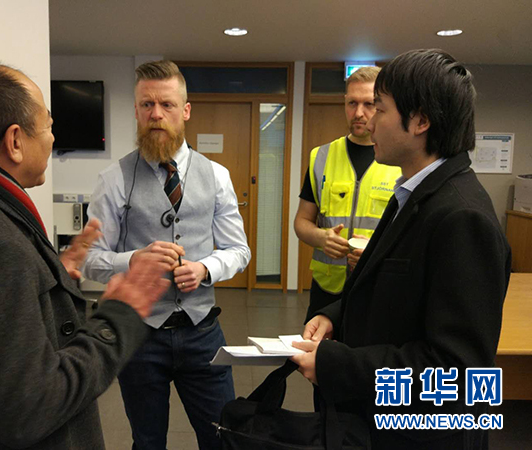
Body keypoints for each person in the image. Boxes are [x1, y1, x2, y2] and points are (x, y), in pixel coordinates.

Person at [0, 62, 170, 449]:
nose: (53, 137)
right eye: (48, 125)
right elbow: (29, 409)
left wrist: (48, 276)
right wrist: (118, 316)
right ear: (14, 141)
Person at [292, 49, 511, 449]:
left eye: (380, 108)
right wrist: (334, 316)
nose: (369, 120)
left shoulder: (462, 217)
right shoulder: (412, 194)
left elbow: (455, 371)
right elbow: (395, 292)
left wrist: (338, 365)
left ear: (420, 121)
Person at [82, 60, 251, 449]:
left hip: (202, 331)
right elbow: (90, 258)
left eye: (167, 104)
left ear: (185, 110)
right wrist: (131, 261)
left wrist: (205, 268)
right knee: (147, 441)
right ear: (137, 110)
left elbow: (238, 250)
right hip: (139, 334)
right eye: (147, 105)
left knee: (223, 438)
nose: (156, 114)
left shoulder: (217, 176)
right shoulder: (114, 179)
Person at [294, 66, 401, 322]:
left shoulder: (400, 161)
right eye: (352, 103)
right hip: (327, 289)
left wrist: (377, 252)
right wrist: (322, 238)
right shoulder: (321, 157)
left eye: (369, 104)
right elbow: (301, 222)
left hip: (377, 287)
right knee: (318, 347)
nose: (359, 113)